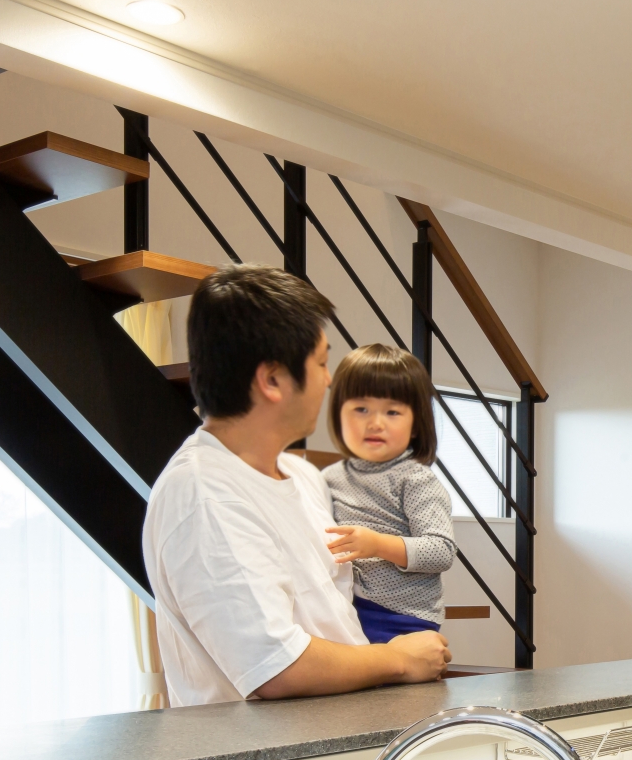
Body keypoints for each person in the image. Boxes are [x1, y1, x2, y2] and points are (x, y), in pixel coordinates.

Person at [141, 266, 449, 704]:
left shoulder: (302, 474)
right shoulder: (203, 494)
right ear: (272, 380)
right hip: (271, 747)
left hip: (342, 728)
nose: (329, 379)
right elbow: (276, 667)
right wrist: (398, 659)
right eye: (321, 363)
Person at [320, 344, 457, 644]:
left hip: (402, 616)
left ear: (416, 425)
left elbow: (441, 550)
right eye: (361, 409)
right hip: (345, 606)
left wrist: (377, 544)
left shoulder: (415, 479)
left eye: (392, 412)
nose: (375, 423)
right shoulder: (329, 478)